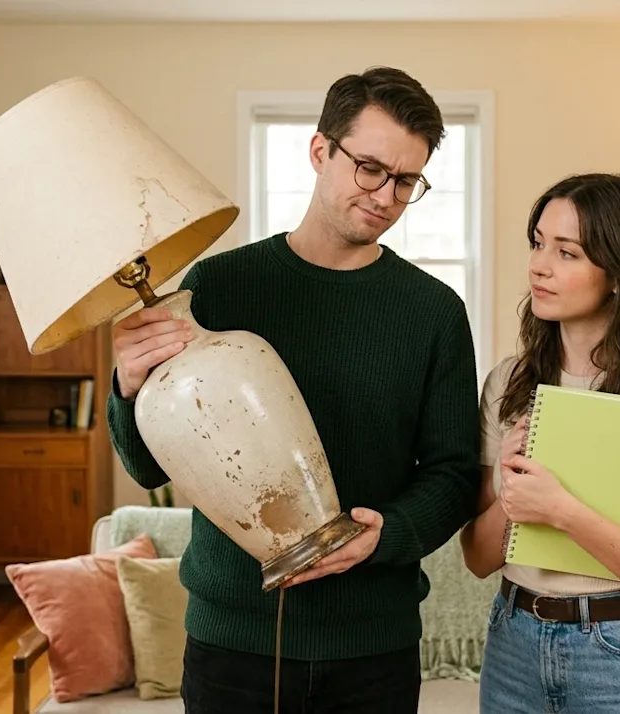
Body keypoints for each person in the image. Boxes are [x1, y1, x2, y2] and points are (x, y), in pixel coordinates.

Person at [107, 66, 480, 714]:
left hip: (373, 650)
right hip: (231, 646)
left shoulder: (434, 312)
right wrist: (128, 385)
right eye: (370, 168)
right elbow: (147, 467)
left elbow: (453, 475)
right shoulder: (220, 287)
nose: (386, 195)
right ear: (319, 151)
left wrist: (386, 534)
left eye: (407, 181)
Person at [459, 173, 620, 713]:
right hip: (514, 644)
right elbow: (478, 558)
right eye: (538, 243)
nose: (539, 265)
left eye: (567, 252)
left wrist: (562, 511)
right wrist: (511, 493)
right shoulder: (508, 381)